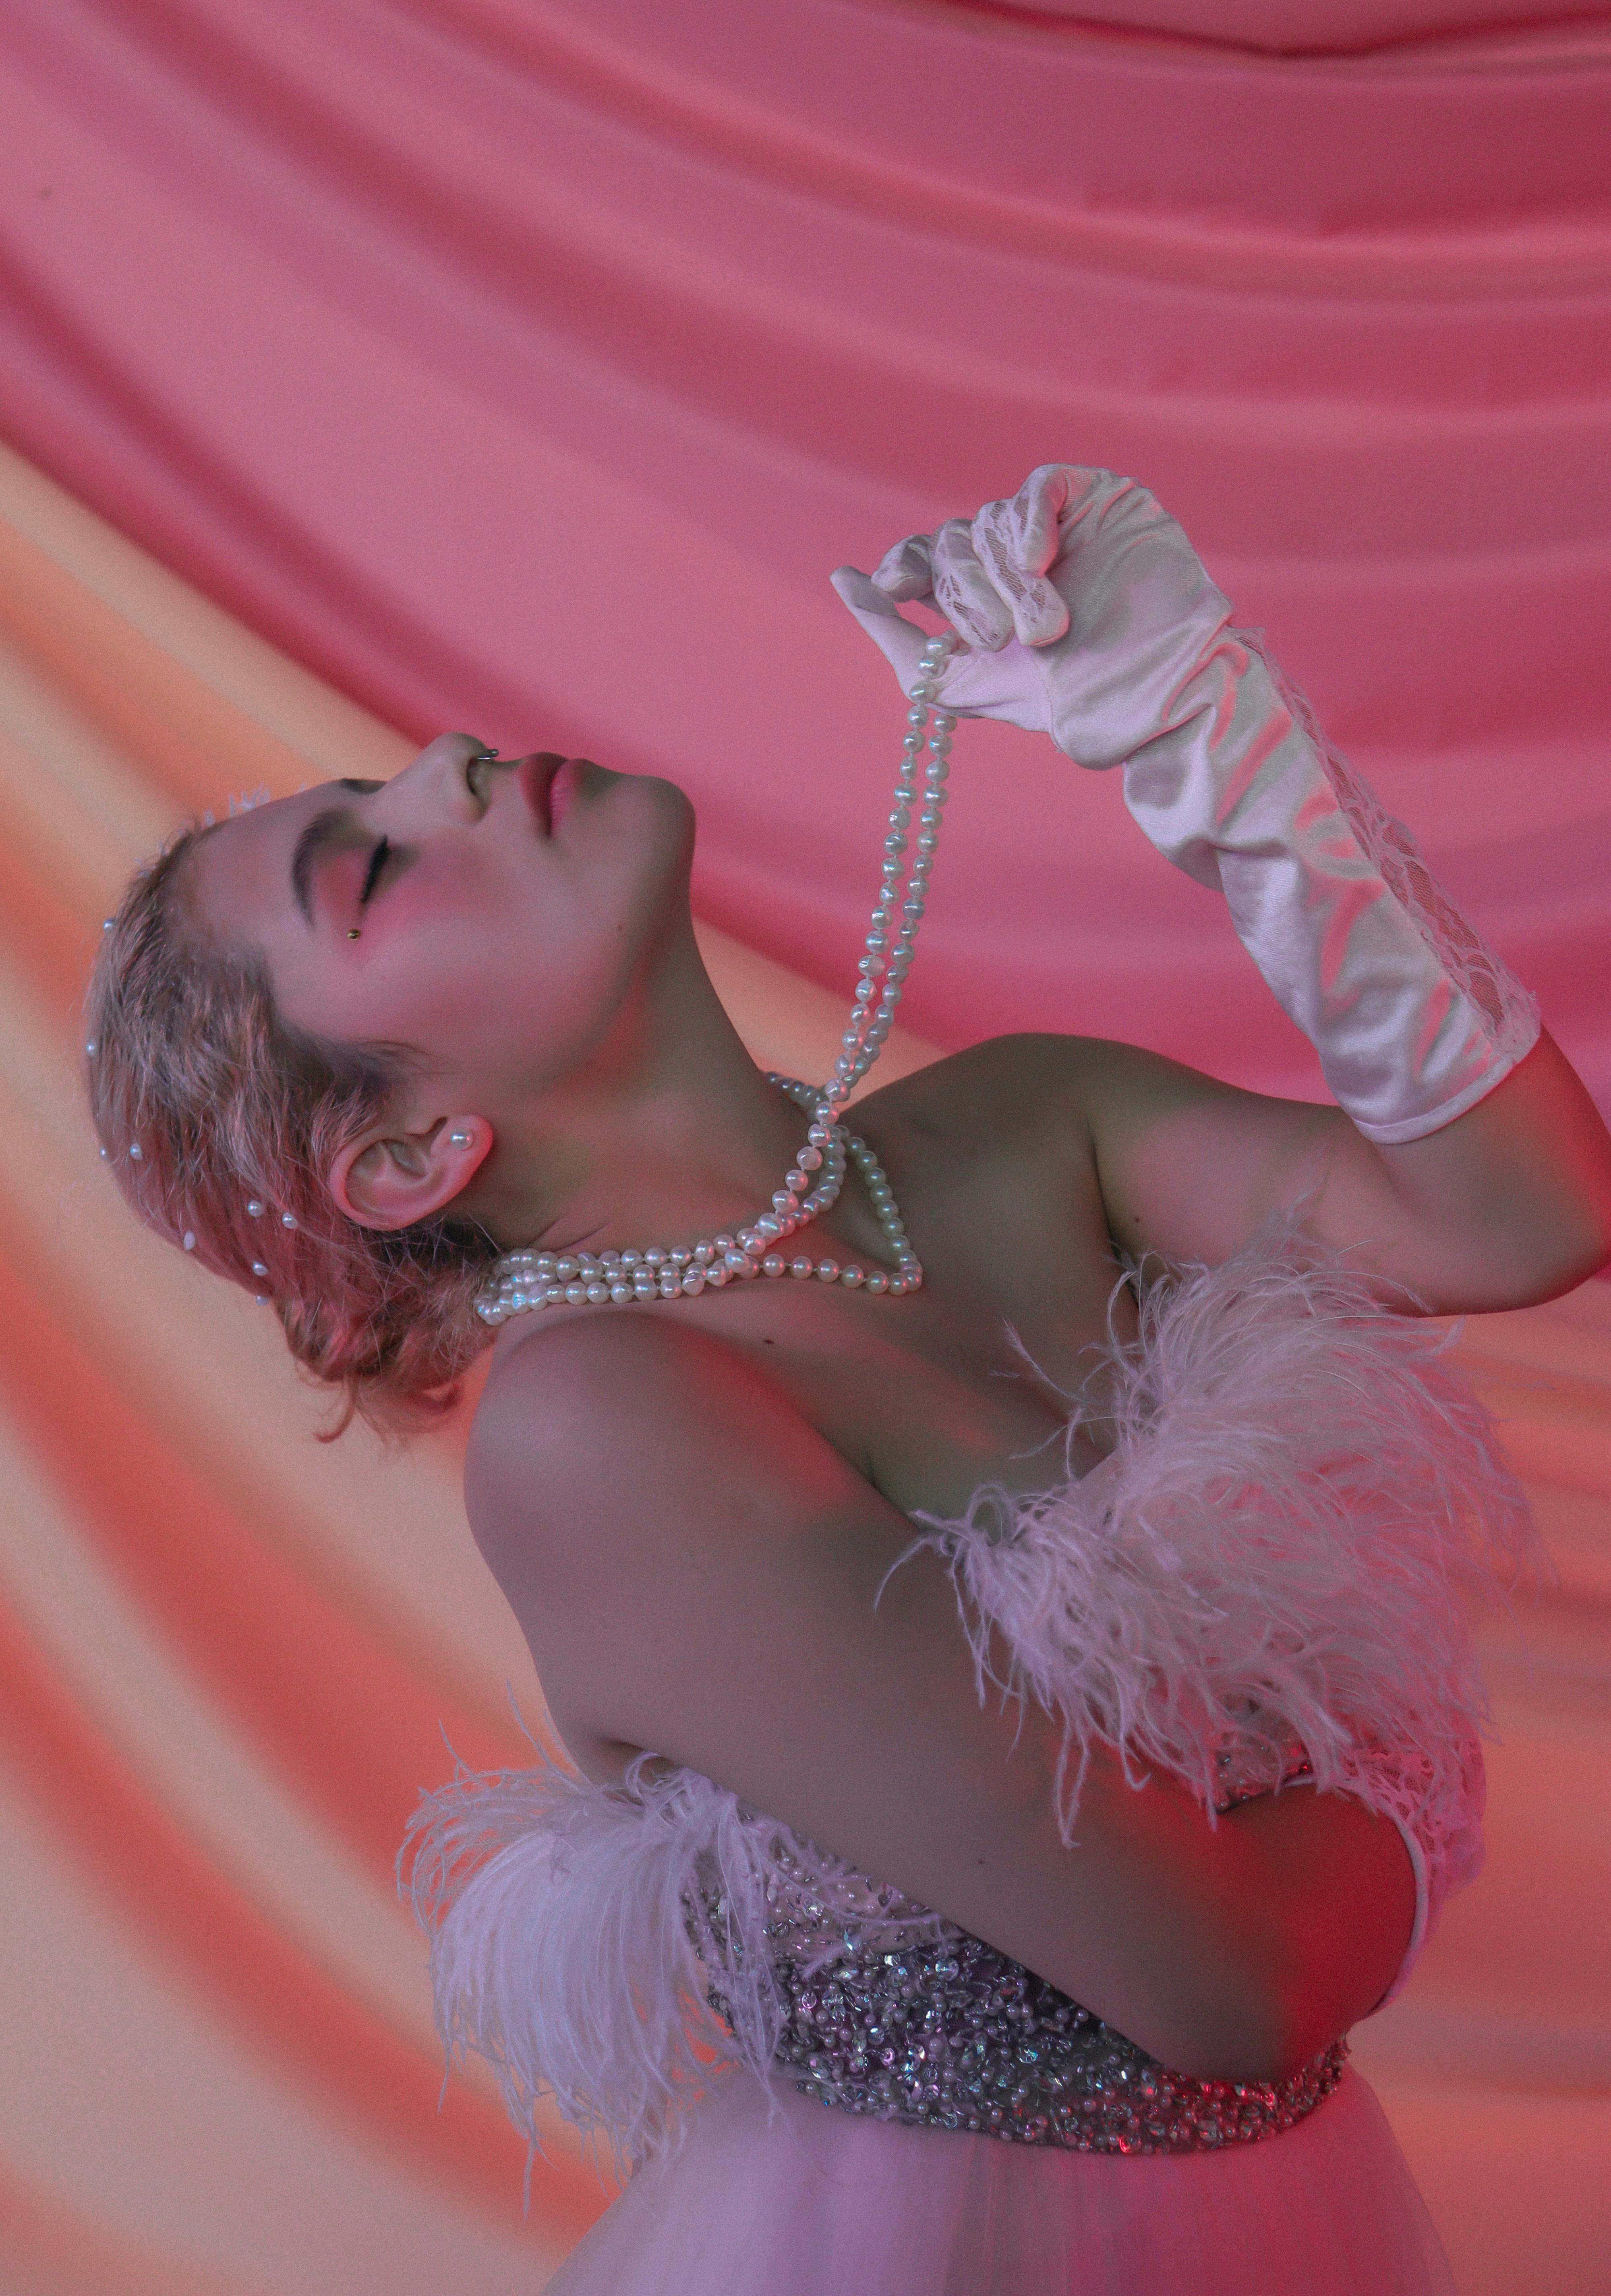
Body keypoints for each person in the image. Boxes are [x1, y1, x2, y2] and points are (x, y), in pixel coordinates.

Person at [85, 466, 1611, 2294]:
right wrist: (1414, 1767)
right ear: (409, 1155)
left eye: (389, 781)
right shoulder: (599, 1424)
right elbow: (1233, 1983)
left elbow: (1521, 1217)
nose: (451, 762)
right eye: (378, 865)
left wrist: (1212, 735)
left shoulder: (1026, 1120)